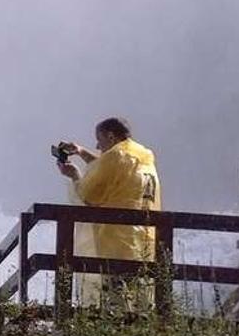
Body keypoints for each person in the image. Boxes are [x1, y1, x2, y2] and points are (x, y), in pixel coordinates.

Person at [56, 116, 162, 308]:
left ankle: (119, 334)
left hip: (117, 243)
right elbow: (109, 168)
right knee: (140, 298)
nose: (97, 145)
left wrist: (75, 176)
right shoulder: (142, 156)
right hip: (143, 242)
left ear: (111, 137)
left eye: (99, 139)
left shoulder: (116, 156)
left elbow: (88, 195)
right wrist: (80, 152)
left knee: (117, 300)